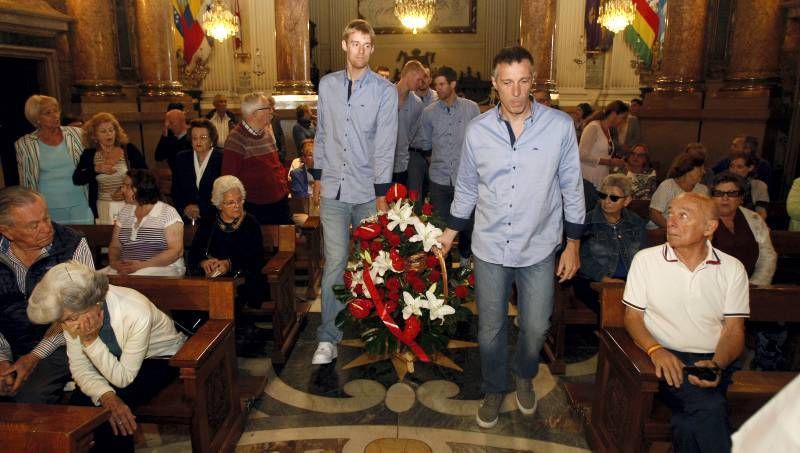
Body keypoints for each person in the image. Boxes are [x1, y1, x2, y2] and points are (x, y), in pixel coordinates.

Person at [438, 46, 585, 428]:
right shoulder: (478, 131)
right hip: (489, 247)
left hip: (539, 246)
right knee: (490, 327)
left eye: (523, 82)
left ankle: (524, 372)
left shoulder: (560, 127)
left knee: (535, 326)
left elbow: (572, 186)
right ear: (495, 84)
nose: (516, 92)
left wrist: (573, 244)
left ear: (532, 81)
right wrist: (450, 234)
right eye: (507, 83)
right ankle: (493, 386)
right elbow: (467, 188)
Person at [623, 192, 749, 453]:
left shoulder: (731, 268)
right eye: (670, 213)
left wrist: (717, 364)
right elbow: (632, 318)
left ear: (709, 227)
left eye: (683, 215)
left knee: (688, 422)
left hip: (713, 359)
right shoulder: (646, 260)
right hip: (666, 357)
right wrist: (656, 350)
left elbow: (734, 331)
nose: (671, 221)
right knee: (710, 407)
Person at [310, 19, 398, 365]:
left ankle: (377, 327)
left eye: (366, 45)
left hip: (366, 191)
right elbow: (321, 135)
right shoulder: (327, 85)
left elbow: (386, 144)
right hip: (332, 187)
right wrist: (317, 176)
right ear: (344, 44)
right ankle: (328, 338)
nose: (360, 50)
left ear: (372, 49)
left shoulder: (384, 91)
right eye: (354, 43)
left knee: (373, 262)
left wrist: (381, 191)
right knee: (334, 263)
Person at [27, 261, 185, 452]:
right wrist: (105, 395)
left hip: (158, 359)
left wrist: (91, 341)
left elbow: (123, 378)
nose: (70, 326)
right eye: (64, 321)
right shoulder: (73, 313)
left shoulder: (136, 311)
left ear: (96, 302)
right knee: (80, 411)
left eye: (72, 318)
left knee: (115, 416)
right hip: (111, 359)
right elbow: (79, 367)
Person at [0, 186, 94, 404]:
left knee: (30, 395)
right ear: (6, 231)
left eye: (46, 218)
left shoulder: (72, 244)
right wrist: (3, 361)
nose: (46, 228)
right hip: (9, 344)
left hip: (62, 342)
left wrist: (34, 356)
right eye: (34, 225)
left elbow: (80, 312)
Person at [420, 65, 481, 266]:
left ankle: (464, 262)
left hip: (466, 179)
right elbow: (426, 145)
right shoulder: (428, 113)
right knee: (439, 225)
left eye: (442, 84)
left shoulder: (471, 108)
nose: (438, 88)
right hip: (439, 179)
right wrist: (436, 163)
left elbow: (479, 143)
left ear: (452, 84)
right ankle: (443, 272)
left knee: (467, 224)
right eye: (435, 85)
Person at [15, 95, 94, 224]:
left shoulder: (77, 134)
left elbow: (95, 162)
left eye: (56, 111)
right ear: (37, 118)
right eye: (48, 113)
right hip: (49, 209)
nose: (55, 116)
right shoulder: (25, 144)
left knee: (83, 243)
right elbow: (27, 182)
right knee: (56, 244)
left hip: (81, 203)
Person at [188, 176, 265, 307]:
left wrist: (229, 264)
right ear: (219, 204)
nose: (237, 206)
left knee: (230, 292)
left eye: (239, 201)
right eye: (230, 202)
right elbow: (194, 253)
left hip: (242, 278)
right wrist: (204, 262)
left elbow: (256, 259)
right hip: (212, 277)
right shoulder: (209, 222)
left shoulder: (250, 223)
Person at [577, 174, 646, 310]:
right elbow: (582, 260)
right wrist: (605, 279)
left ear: (626, 201)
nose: (607, 201)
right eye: (603, 195)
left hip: (631, 282)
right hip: (595, 281)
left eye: (614, 198)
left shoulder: (636, 222)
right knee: (614, 304)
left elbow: (644, 256)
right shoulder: (587, 222)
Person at [222, 92, 290, 225]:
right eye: (267, 108)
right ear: (254, 114)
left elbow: (275, 164)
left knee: (284, 242)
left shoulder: (266, 133)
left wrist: (283, 186)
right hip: (256, 207)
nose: (271, 111)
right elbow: (229, 180)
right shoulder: (236, 139)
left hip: (278, 201)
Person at [102, 169, 185, 276]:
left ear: (140, 189)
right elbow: (115, 246)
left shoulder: (167, 212)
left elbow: (176, 251)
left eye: (126, 186)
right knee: (94, 280)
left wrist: (140, 265)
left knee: (131, 279)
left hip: (162, 268)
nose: (122, 189)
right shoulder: (125, 211)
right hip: (127, 268)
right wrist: (114, 263)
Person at [73, 112, 148, 224]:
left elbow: (145, 175)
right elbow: (77, 179)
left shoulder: (129, 149)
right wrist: (96, 170)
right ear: (94, 136)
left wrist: (126, 190)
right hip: (103, 206)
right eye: (103, 131)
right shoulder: (89, 153)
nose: (109, 134)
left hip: (130, 204)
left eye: (111, 130)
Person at [710, 173, 776, 286]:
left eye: (732, 193)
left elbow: (767, 256)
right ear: (711, 197)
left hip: (750, 285)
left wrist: (755, 284)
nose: (725, 198)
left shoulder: (754, 219)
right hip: (711, 287)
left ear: (741, 198)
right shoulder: (701, 219)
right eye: (718, 193)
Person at [171, 118, 223, 224]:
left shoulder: (222, 158)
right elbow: (176, 189)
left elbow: (223, 193)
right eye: (194, 138)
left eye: (203, 137)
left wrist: (201, 208)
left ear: (212, 139)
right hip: (186, 215)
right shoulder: (181, 158)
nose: (198, 141)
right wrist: (185, 208)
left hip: (214, 217)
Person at [649, 149, 709, 228]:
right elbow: (654, 214)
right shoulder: (668, 186)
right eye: (700, 168)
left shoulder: (703, 190)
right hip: (662, 230)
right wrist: (672, 228)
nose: (704, 172)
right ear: (688, 169)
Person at [579, 100, 629, 189]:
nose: (623, 121)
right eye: (623, 117)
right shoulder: (593, 127)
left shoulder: (608, 130)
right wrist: (609, 162)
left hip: (602, 175)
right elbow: (582, 156)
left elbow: (603, 154)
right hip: (589, 176)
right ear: (614, 114)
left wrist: (613, 162)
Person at [392, 60, 425, 185]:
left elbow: (411, 135)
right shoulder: (384, 95)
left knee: (398, 204)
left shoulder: (417, 104)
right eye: (419, 79)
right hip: (378, 164)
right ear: (409, 74)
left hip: (401, 165)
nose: (421, 84)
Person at [728, 151, 769, 219]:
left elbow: (761, 214)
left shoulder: (759, 186)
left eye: (739, 167)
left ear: (750, 168)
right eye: (731, 166)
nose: (734, 171)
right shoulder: (723, 185)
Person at [289, 139, 317, 226]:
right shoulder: (296, 174)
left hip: (323, 208)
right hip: (303, 211)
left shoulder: (327, 172)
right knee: (309, 221)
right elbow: (300, 198)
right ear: (303, 158)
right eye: (311, 155)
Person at [154, 109, 190, 174]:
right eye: (166, 123)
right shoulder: (169, 137)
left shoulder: (191, 137)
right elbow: (158, 157)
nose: (169, 127)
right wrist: (164, 136)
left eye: (171, 123)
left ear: (181, 122)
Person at [267, 96, 287, 164]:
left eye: (271, 106)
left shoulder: (276, 118)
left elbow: (280, 135)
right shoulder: (261, 120)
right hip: (268, 152)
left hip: (278, 151)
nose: (271, 109)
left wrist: (283, 151)